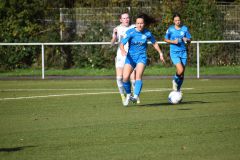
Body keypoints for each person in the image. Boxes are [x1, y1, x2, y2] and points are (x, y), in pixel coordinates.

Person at [120, 13, 165, 106]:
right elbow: (121, 43)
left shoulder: (147, 33)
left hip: (141, 57)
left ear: (144, 24)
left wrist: (160, 53)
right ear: (135, 24)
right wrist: (123, 50)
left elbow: (154, 43)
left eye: (141, 23)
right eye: (137, 23)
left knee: (138, 76)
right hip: (130, 58)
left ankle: (135, 96)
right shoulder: (130, 32)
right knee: (124, 78)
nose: (139, 25)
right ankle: (128, 95)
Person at [111, 12, 140, 104]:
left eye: (127, 18)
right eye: (124, 18)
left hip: (131, 55)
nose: (126, 19)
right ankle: (123, 95)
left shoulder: (134, 27)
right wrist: (114, 35)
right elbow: (112, 43)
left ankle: (135, 96)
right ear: (120, 20)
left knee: (133, 79)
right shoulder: (117, 29)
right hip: (120, 55)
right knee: (119, 78)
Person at [164, 13, 191, 92]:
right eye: (176, 20)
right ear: (173, 21)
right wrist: (173, 41)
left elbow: (190, 40)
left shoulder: (185, 29)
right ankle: (174, 81)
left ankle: (178, 89)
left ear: (180, 20)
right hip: (174, 52)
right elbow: (165, 39)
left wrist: (187, 39)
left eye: (179, 20)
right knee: (180, 70)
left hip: (183, 53)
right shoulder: (170, 29)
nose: (177, 22)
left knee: (182, 74)